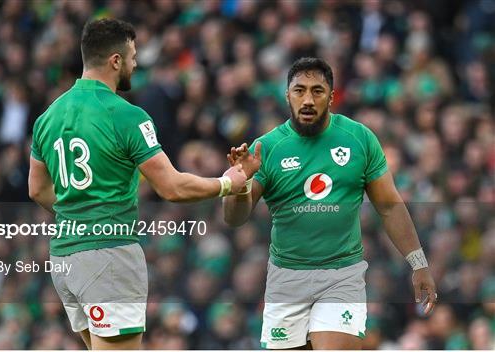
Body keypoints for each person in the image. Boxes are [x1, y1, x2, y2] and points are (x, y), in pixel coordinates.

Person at [28, 18, 246, 350]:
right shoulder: (126, 115)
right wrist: (226, 183)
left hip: (65, 258)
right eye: (132, 55)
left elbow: (37, 189)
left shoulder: (48, 117)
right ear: (115, 60)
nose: (135, 63)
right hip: (108, 257)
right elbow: (172, 187)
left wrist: (78, 216)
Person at [223, 57, 437, 350]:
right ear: (287, 95)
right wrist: (239, 183)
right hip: (286, 278)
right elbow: (235, 218)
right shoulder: (266, 148)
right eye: (299, 90)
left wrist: (418, 263)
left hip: (341, 274)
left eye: (317, 91)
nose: (308, 99)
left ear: (331, 97)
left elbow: (389, 206)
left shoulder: (359, 139)